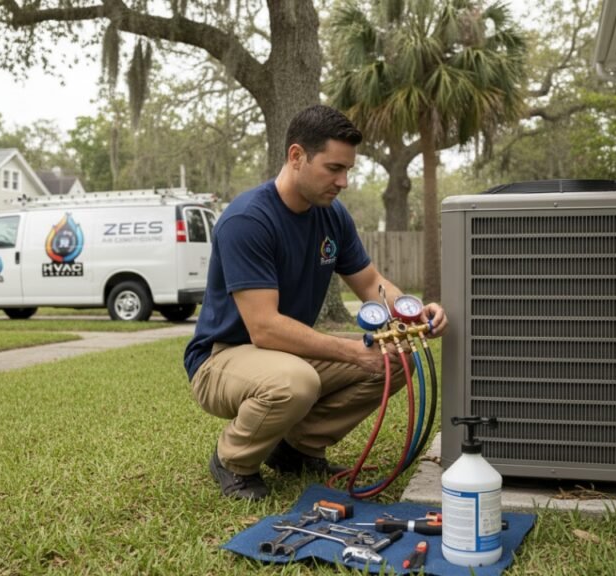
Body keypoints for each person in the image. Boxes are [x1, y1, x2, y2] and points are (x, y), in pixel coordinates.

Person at [183, 104, 448, 501]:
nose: (342, 181)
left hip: (285, 352)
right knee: (296, 381)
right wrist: (356, 352)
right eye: (333, 168)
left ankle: (295, 450)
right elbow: (265, 327)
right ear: (296, 156)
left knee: (397, 359)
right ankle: (233, 460)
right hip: (223, 357)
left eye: (347, 171)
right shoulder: (248, 220)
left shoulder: (332, 216)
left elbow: (371, 282)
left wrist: (412, 308)